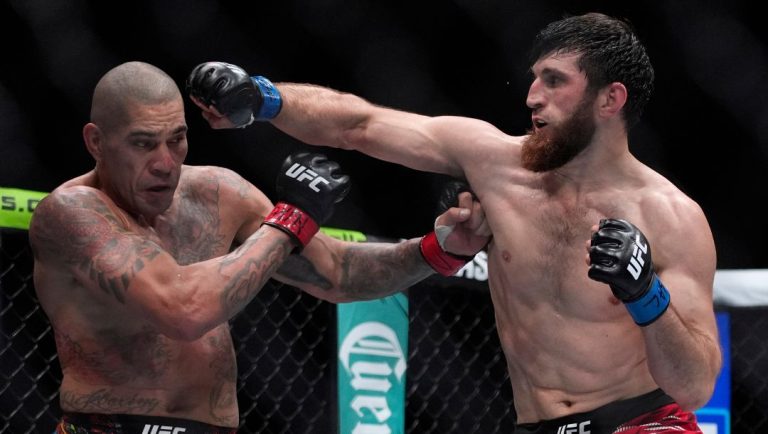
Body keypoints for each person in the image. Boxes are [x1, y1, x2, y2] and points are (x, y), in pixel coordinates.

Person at [186, 12, 722, 433]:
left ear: (611, 98)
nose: (532, 95)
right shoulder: (496, 161)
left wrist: (646, 292)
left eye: (555, 81)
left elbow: (696, 385)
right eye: (535, 78)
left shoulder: (670, 217)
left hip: (642, 423)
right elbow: (361, 124)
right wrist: (262, 96)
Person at [28, 61, 489, 434]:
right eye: (143, 144)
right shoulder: (72, 213)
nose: (165, 163)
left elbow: (337, 271)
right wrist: (291, 218)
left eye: (177, 139)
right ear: (96, 142)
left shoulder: (218, 193)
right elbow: (182, 309)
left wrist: (440, 248)